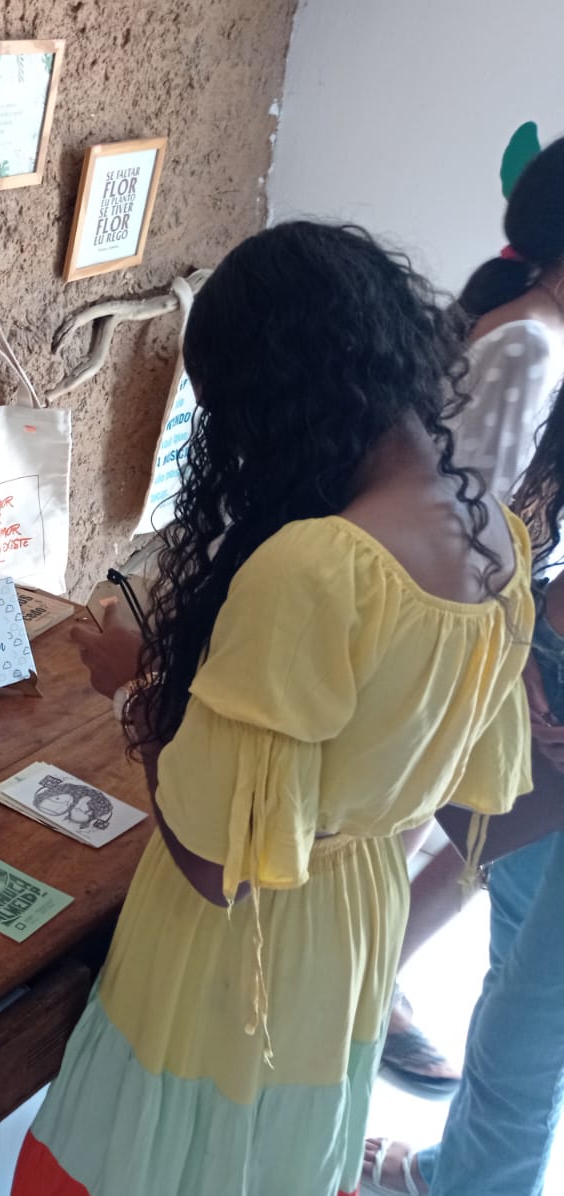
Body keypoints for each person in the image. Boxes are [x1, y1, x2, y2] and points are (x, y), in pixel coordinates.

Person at [12, 222, 532, 1196]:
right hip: (354, 916)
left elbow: (219, 867)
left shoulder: (317, 565)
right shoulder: (494, 538)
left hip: (242, 947)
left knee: (160, 1149)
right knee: (274, 1150)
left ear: (270, 398)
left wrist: (136, 688)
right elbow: (421, 766)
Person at [377, 134, 564, 1100]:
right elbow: (471, 518)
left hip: (483, 629)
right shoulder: (530, 343)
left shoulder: (537, 329)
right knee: (450, 830)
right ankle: (364, 983)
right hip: (459, 631)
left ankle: (372, 978)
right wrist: (513, 653)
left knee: (458, 832)